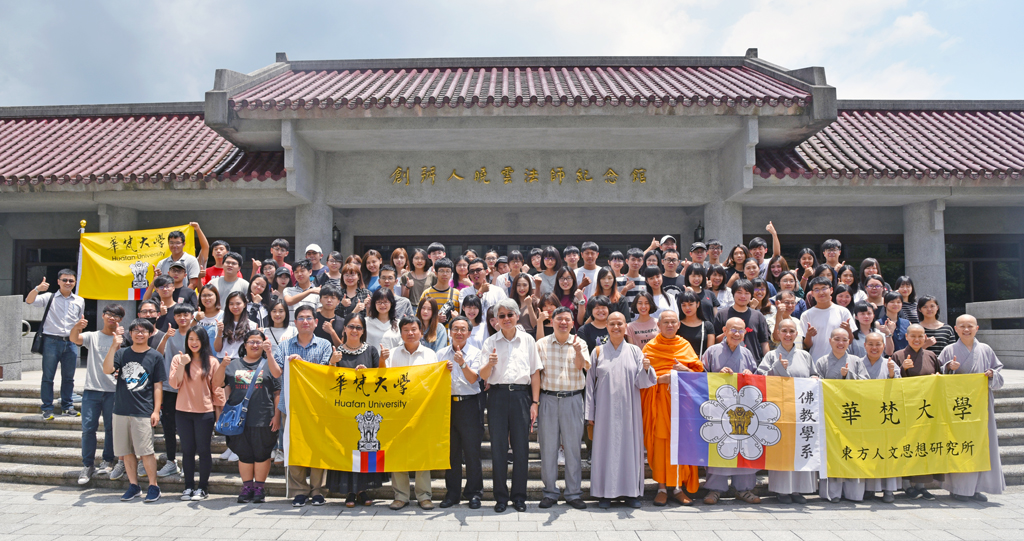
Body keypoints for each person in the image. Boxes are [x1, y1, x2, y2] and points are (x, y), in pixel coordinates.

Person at [585, 311, 657, 509]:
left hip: (629, 410)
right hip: (604, 412)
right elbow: (589, 384)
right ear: (606, 326)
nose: (616, 327)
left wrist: (646, 369)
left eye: (620, 323)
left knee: (629, 450)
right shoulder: (597, 352)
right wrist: (590, 413)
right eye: (612, 324)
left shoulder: (635, 351)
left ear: (626, 326)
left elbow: (643, 383)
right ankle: (604, 493)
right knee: (604, 451)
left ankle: (631, 493)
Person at [479, 299, 542, 513]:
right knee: (498, 448)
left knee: (521, 448)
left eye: (510, 315)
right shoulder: (490, 342)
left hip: (521, 396)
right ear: (496, 319)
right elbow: (483, 376)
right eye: (502, 316)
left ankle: (519, 496)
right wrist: (490, 364)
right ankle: (501, 497)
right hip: (497, 396)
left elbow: (535, 373)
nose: (506, 319)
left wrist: (535, 402)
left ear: (516, 316)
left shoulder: (527, 340)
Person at [273, 305, 338, 507]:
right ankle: (299, 490)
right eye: (301, 318)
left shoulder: (324, 344)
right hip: (291, 405)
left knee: (318, 447)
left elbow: (326, 373)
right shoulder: (285, 346)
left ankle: (318, 490)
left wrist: (304, 366)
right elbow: (276, 372)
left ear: (316, 322)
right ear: (295, 322)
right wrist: (286, 360)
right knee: (294, 448)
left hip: (317, 406)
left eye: (309, 318)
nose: (305, 322)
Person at [939, 314, 1005, 502]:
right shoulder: (949, 349)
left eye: (970, 326)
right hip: (957, 406)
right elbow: (938, 373)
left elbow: (998, 372)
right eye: (962, 326)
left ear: (977, 328)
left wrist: (992, 374)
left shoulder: (985, 349)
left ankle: (977, 488)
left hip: (981, 404)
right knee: (960, 443)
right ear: (955, 329)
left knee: (982, 443)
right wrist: (949, 367)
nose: (966, 329)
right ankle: (958, 488)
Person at [214, 330, 282, 504]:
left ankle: (259, 488)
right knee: (244, 454)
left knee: (262, 454)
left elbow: (277, 390)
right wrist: (222, 366)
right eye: (251, 341)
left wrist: (277, 416)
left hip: (263, 417)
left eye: (258, 342)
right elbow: (216, 383)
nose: (255, 345)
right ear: (244, 345)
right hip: (238, 420)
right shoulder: (233, 364)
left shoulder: (269, 363)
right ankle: (247, 487)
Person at [642, 310, 703, 506]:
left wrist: (685, 371)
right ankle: (661, 488)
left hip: (683, 406)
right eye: (666, 322)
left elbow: (699, 375)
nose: (669, 325)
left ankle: (677, 488)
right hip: (659, 403)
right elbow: (642, 379)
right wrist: (661, 379)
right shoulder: (650, 348)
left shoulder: (685, 346)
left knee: (681, 443)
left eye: (673, 322)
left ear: (678, 325)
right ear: (658, 325)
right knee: (660, 444)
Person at [326, 313, 388, 507]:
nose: (354, 330)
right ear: (344, 329)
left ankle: (363, 489)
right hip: (343, 410)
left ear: (363, 331)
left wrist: (368, 374)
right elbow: (327, 381)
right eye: (351, 326)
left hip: (366, 410)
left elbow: (381, 379)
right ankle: (350, 491)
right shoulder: (336, 351)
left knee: (366, 446)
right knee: (346, 447)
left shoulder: (371, 350)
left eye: (359, 327)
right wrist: (332, 363)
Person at [103, 317, 166, 503]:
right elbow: (107, 369)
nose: (139, 334)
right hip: (121, 410)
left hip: (143, 410)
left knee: (146, 451)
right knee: (126, 451)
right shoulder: (122, 353)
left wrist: (156, 410)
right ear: (130, 334)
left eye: (143, 330)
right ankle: (133, 485)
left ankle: (153, 486)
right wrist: (113, 346)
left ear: (150, 334)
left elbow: (158, 386)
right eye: (136, 330)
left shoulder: (155, 356)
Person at [700, 317, 761, 505]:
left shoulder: (747, 353)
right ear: (725, 331)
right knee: (719, 445)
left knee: (744, 446)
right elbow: (700, 376)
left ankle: (744, 489)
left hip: (742, 409)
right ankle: (715, 489)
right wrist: (717, 376)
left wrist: (751, 376)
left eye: (741, 330)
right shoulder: (712, 351)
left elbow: (758, 378)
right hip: (719, 410)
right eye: (733, 329)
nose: (737, 334)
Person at [756, 318, 817, 504]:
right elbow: (760, 379)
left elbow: (814, 374)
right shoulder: (771, 356)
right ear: (778, 334)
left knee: (801, 446)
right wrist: (777, 368)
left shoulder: (805, 356)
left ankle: (799, 489)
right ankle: (782, 490)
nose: (788, 335)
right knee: (783, 449)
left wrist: (815, 378)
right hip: (779, 410)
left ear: (797, 334)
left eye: (792, 331)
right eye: (784, 331)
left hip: (802, 410)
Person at [535, 307, 589, 510]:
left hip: (572, 399)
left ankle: (573, 493)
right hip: (548, 399)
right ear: (552, 321)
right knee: (548, 448)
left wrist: (577, 351)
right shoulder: (541, 344)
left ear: (573, 323)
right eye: (559, 319)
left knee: (573, 448)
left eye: (567, 319)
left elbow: (583, 366)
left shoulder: (580, 343)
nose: (563, 322)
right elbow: (535, 373)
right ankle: (550, 492)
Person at [384, 316, 440, 510]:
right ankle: (400, 495)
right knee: (397, 451)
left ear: (421, 332)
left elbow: (434, 381)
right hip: (397, 410)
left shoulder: (430, 355)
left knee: (422, 451)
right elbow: (384, 379)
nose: (410, 333)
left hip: (421, 410)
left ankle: (424, 496)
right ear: (400, 333)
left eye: (414, 329)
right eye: (406, 329)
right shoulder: (391, 354)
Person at [69, 304, 124, 484]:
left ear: (121, 319)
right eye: (109, 314)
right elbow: (74, 339)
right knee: (88, 429)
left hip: (113, 391)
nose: (112, 317)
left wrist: (120, 341)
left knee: (111, 428)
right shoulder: (92, 336)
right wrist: (77, 327)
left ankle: (108, 460)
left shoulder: (123, 339)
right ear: (102, 316)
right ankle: (88, 465)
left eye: (116, 315)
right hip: (92, 390)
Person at [169, 326, 224, 501]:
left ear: (204, 341)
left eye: (198, 339)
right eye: (191, 339)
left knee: (204, 450)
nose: (194, 342)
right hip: (182, 411)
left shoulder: (212, 362)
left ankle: (202, 487)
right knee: (187, 451)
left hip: (205, 412)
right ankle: (188, 487)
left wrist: (219, 413)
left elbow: (217, 389)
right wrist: (182, 364)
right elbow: (174, 384)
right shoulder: (179, 359)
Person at [815, 328, 868, 502]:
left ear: (849, 342)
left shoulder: (856, 361)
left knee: (852, 451)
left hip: (853, 413)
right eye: (837, 339)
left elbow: (866, 383)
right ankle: (833, 493)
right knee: (833, 451)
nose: (840, 343)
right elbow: (817, 384)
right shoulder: (822, 361)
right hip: (830, 414)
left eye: (844, 340)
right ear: (830, 341)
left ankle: (854, 493)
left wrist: (848, 375)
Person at [436, 316, 484, 509]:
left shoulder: (476, 353)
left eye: (463, 329)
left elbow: (474, 379)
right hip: (447, 405)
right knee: (452, 453)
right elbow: (433, 381)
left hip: (469, 404)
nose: (459, 332)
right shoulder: (441, 354)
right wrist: (442, 372)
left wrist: (462, 363)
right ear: (450, 331)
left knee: (472, 452)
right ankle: (452, 494)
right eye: (455, 329)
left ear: (469, 333)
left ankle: (474, 493)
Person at [890, 324, 942, 500]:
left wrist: (938, 377)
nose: (917, 339)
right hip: (907, 409)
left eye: (920, 336)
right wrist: (903, 369)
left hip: (926, 409)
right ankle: (906, 484)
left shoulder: (931, 355)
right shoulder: (898, 355)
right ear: (906, 337)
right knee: (907, 445)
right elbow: (892, 382)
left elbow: (940, 378)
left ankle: (921, 485)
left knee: (923, 446)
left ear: (925, 337)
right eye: (913, 336)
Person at [25, 270, 85, 419]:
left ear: (75, 283)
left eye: (71, 280)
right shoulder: (49, 297)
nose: (68, 283)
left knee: (69, 377)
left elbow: (78, 321)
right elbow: (29, 301)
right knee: (48, 376)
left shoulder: (79, 300)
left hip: (70, 342)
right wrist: (37, 289)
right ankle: (47, 408)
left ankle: (67, 406)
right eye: (64, 280)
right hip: (51, 341)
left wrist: (79, 330)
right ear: (58, 281)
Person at [154, 304, 199, 480]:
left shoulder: (196, 335)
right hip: (170, 387)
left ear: (191, 316)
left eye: (186, 314)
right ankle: (171, 461)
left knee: (190, 427)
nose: (182, 318)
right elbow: (158, 355)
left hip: (191, 388)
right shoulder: (170, 334)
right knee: (169, 426)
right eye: (179, 315)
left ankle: (190, 462)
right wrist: (165, 338)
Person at [859, 331, 901, 503]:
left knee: (887, 452)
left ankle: (889, 489)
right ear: (865, 345)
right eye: (871, 344)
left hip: (885, 414)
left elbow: (899, 389)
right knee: (867, 451)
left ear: (884, 346)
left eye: (878, 344)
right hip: (865, 414)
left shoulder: (891, 364)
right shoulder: (858, 363)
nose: (874, 348)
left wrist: (891, 374)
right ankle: (869, 488)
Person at [712, 280, 770, 360]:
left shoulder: (758, 316)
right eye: (739, 292)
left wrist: (767, 362)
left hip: (752, 362)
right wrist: (729, 332)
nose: (743, 296)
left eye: (747, 293)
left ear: (751, 295)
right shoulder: (722, 314)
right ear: (733, 293)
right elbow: (715, 341)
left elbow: (764, 342)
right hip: (726, 362)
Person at [800, 277, 854, 362]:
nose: (821, 292)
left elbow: (850, 341)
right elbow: (807, 345)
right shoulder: (806, 315)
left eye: (824, 288)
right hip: (816, 361)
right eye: (816, 289)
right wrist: (809, 335)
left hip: (840, 360)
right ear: (812, 293)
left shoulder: (843, 311)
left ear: (831, 290)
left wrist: (848, 330)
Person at [459, 258, 508, 333]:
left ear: (487, 271)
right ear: (469, 275)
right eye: (472, 271)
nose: (475, 273)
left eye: (478, 270)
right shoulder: (464, 292)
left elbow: (506, 311)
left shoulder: (498, 291)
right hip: (473, 333)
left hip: (494, 332)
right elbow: (465, 312)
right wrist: (481, 292)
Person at [216, 292, 256, 360]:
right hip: (223, 360)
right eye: (231, 304)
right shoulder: (221, 323)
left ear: (244, 304)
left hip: (242, 361)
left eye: (238, 304)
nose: (234, 307)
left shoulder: (252, 325)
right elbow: (217, 349)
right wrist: (220, 331)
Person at [420, 258, 460, 326]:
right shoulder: (427, 293)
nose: (445, 274)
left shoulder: (457, 293)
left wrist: (457, 318)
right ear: (435, 273)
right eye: (441, 271)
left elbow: (462, 316)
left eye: (448, 271)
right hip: (433, 331)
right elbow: (419, 316)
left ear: (451, 274)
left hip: (451, 332)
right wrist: (435, 319)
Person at [677, 290, 715, 357]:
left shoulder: (707, 325)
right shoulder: (677, 325)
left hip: (700, 362)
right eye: (684, 305)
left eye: (690, 304)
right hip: (681, 361)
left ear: (698, 304)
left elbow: (710, 352)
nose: (687, 308)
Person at [367, 288, 400, 354]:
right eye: (379, 302)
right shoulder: (366, 322)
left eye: (385, 302)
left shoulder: (399, 323)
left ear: (391, 303)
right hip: (372, 360)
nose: (382, 305)